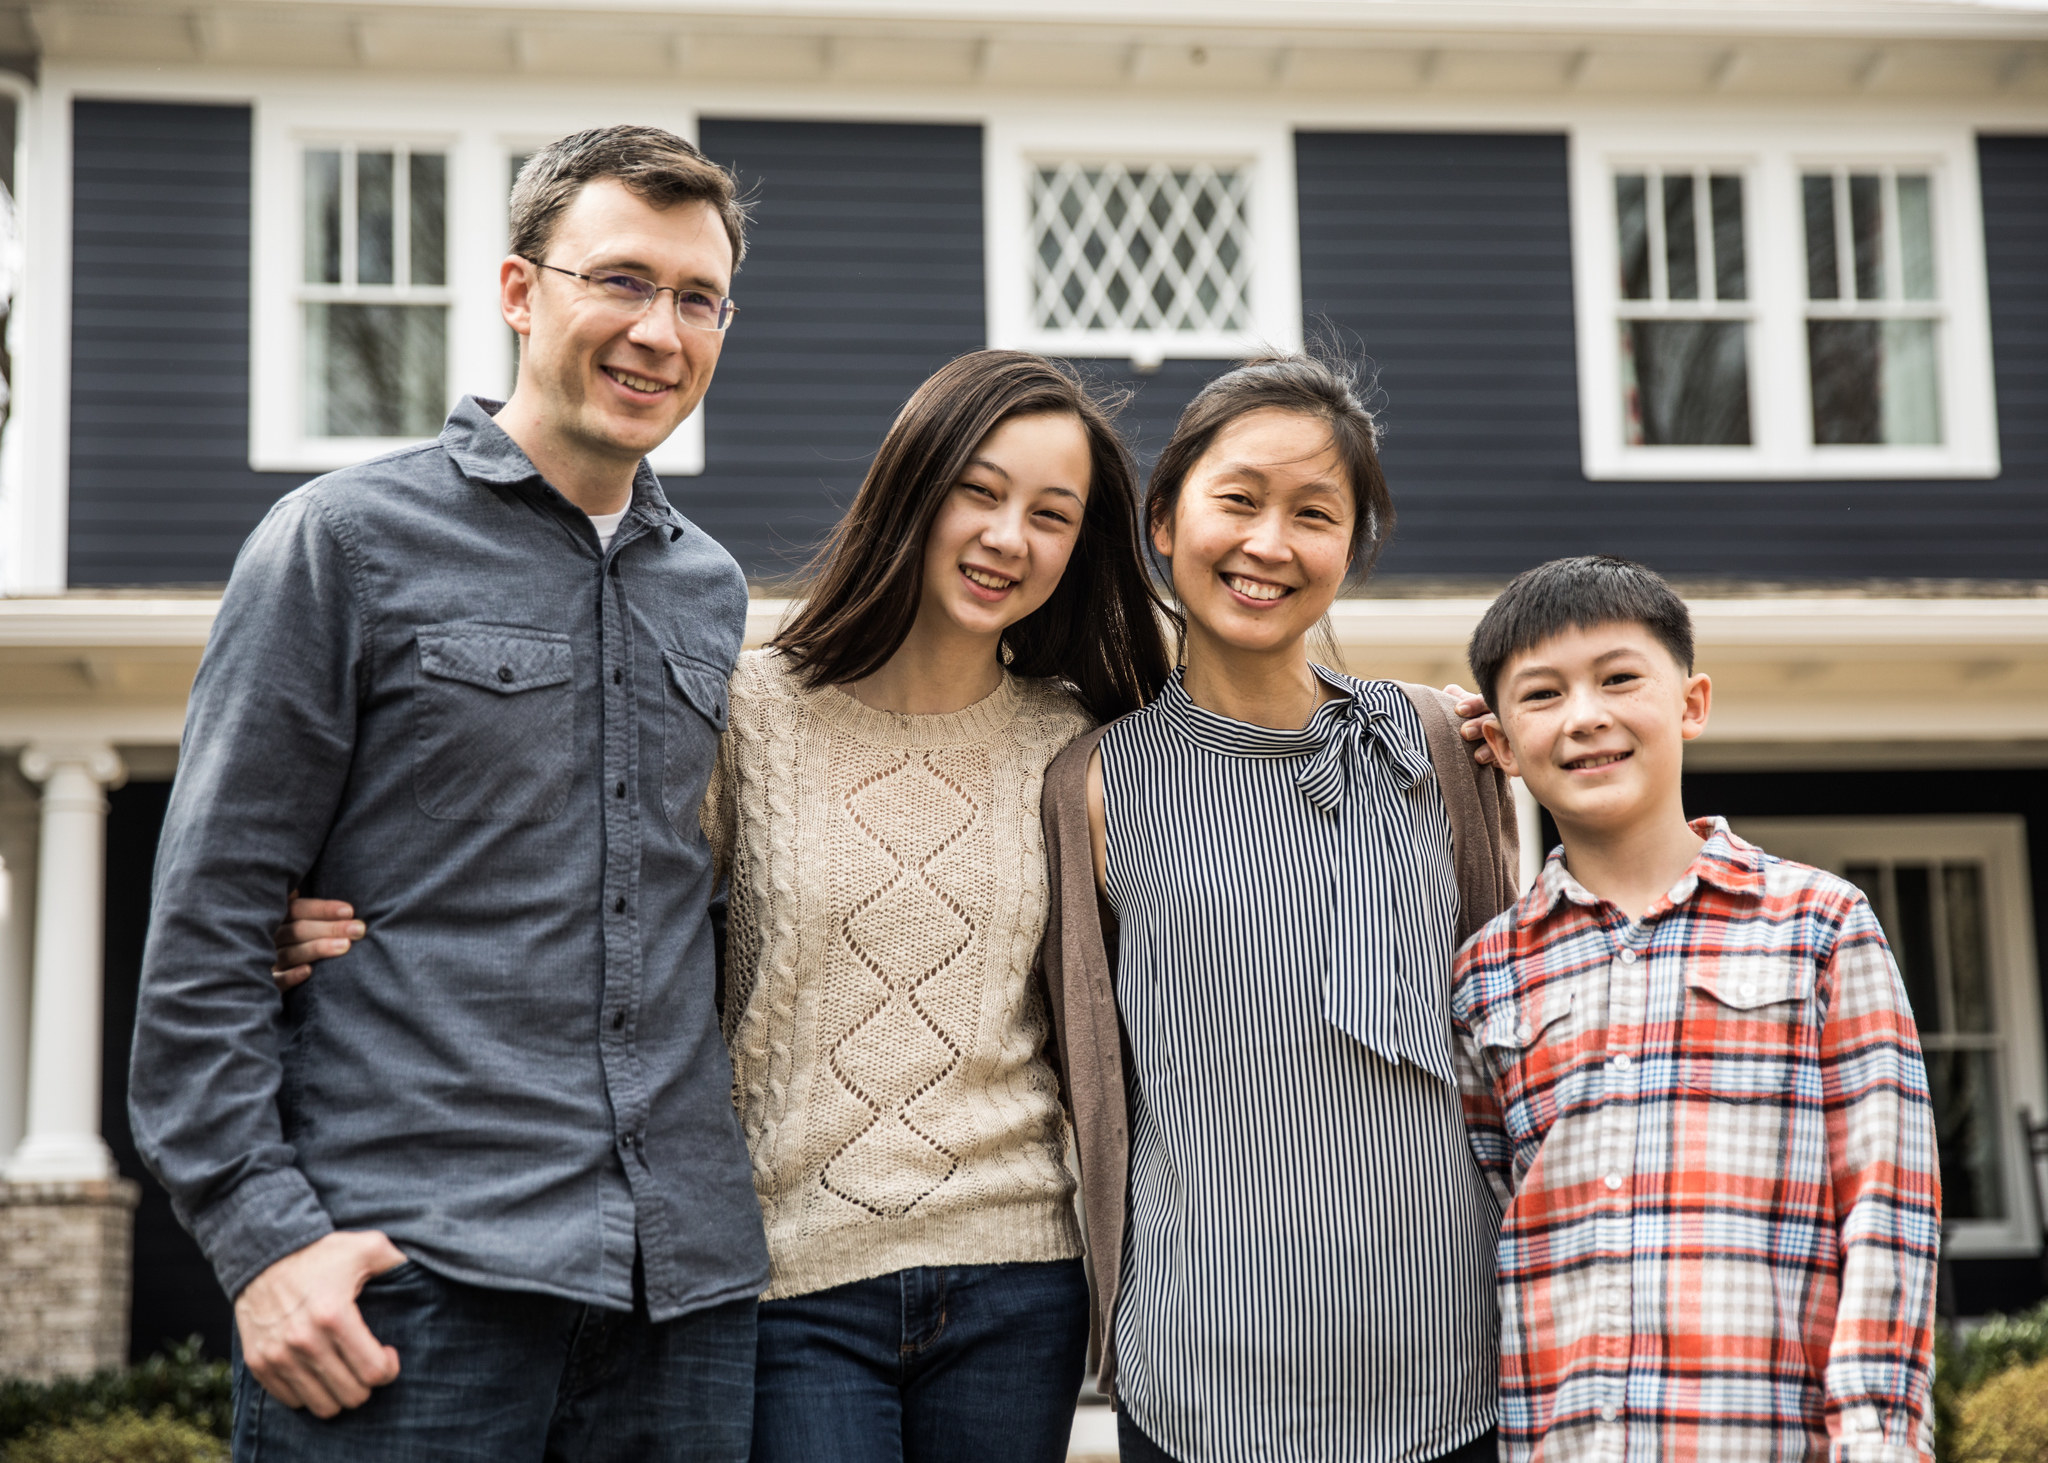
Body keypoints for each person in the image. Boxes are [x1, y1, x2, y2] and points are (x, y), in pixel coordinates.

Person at [273, 348, 1174, 1462]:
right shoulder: (746, 710)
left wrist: (1448, 723)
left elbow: (1244, 818)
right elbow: (583, 885)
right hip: (790, 1276)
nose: (1007, 537)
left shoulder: (1082, 747)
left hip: (1019, 1278)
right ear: (913, 488)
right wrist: (328, 912)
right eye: (979, 492)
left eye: (1052, 514)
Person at [128, 125, 768, 1462]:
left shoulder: (712, 593)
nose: (662, 330)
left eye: (697, 297)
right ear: (520, 290)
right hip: (414, 1282)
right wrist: (263, 1245)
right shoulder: (343, 542)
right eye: (622, 280)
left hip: (683, 1304)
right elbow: (207, 929)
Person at [1037, 352, 1521, 1463]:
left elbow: (1511, 1016)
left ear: (1349, 548)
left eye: (1313, 513)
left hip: (1457, 1366)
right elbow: (1087, 1077)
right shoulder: (1089, 783)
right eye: (1238, 499)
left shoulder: (1436, 744)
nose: (1268, 544)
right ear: (1163, 520)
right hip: (1199, 1375)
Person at [1449, 555, 1940, 1462]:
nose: (1586, 715)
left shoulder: (1820, 925)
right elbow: (1482, 1220)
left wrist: (1877, 1435)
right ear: (1506, 748)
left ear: (1692, 702)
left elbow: (1888, 1201)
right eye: (1543, 694)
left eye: (1620, 677)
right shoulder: (1489, 970)